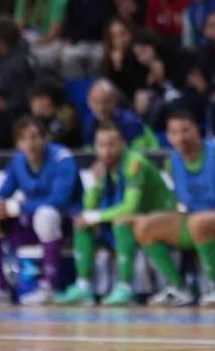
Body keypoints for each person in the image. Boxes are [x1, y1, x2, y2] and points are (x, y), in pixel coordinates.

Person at [126, 107, 215, 307]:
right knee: (143, 226)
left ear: (197, 131)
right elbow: (179, 201)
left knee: (198, 223)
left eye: (185, 130)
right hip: (193, 220)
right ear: (168, 136)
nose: (180, 137)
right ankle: (178, 287)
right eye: (174, 132)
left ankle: (214, 287)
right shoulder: (170, 161)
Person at [55, 120, 186, 307]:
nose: (106, 151)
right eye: (101, 145)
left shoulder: (134, 163)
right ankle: (83, 286)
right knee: (81, 222)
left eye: (111, 144)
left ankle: (125, 286)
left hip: (161, 217)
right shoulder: (103, 167)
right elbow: (89, 206)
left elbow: (130, 207)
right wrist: (94, 182)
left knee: (121, 220)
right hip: (136, 219)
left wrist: (96, 216)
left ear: (123, 144)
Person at [0, 116, 82, 307]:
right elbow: (3, 192)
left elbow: (60, 200)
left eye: (35, 137)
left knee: (46, 215)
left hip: (66, 221)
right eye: (24, 139)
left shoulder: (62, 158)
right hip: (31, 220)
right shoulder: (17, 162)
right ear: (17, 144)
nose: (30, 144)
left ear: (44, 139)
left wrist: (18, 207)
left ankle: (49, 287)